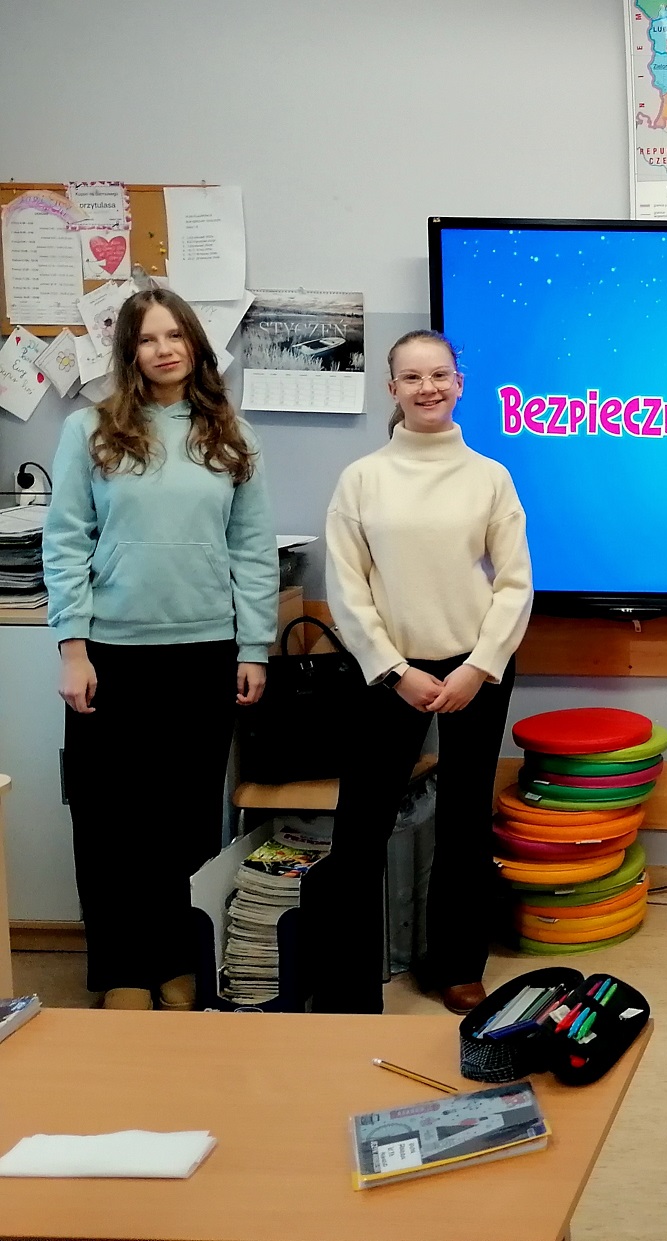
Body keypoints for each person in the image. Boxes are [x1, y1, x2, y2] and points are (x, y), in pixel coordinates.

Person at [43, 288, 276, 1012]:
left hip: (204, 653)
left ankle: (177, 958)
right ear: (129, 352)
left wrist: (255, 646)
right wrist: (72, 649)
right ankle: (121, 968)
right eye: (147, 338)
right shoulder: (90, 430)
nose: (163, 349)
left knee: (184, 821)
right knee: (110, 821)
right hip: (111, 656)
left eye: (175, 335)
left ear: (196, 345)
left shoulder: (231, 435)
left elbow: (253, 550)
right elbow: (65, 540)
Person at [304, 329, 532, 1015]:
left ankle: (456, 965)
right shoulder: (363, 479)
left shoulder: (490, 477)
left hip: (474, 671)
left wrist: (478, 668)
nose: (427, 387)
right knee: (360, 827)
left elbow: (514, 584)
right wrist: (394, 670)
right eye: (412, 377)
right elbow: (347, 588)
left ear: (459, 383)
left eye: (439, 375)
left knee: (463, 822)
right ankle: (348, 984)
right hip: (388, 674)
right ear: (393, 389)